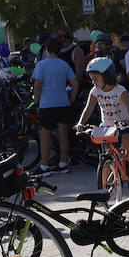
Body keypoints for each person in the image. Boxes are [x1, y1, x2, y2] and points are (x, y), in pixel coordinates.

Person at [74, 56, 129, 184]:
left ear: (107, 76)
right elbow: (88, 109)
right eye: (91, 79)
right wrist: (80, 123)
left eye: (95, 79)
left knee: (128, 137)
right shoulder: (95, 91)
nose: (93, 82)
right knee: (107, 152)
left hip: (123, 123)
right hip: (107, 125)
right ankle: (110, 173)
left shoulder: (120, 90)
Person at [31, 37, 78, 171]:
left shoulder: (41, 65)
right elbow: (75, 84)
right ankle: (63, 163)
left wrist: (35, 101)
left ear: (46, 49)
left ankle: (44, 166)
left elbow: (37, 85)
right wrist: (72, 100)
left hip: (47, 104)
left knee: (44, 135)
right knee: (63, 134)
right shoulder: (64, 64)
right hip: (63, 103)